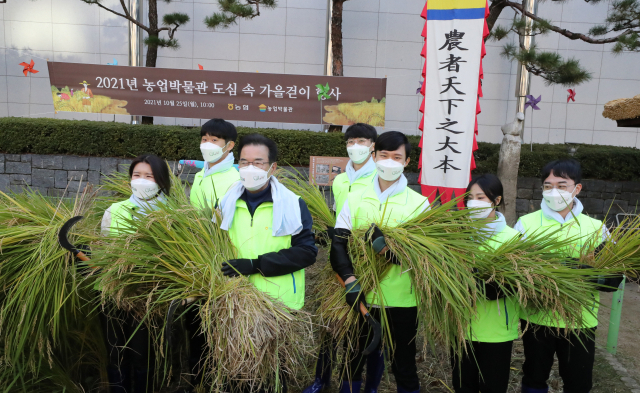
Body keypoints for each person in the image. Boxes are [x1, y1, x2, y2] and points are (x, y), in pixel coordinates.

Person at [198, 133, 316, 391]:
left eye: (258, 162)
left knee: (273, 374)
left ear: (272, 167)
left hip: (278, 303)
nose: (250, 168)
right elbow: (214, 244)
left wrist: (256, 265)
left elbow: (307, 252)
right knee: (234, 370)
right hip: (233, 301)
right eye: (244, 162)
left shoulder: (293, 204)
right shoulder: (226, 202)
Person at [331, 131, 429, 393]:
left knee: (404, 363)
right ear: (374, 157)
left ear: (407, 161)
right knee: (352, 358)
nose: (389, 162)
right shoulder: (356, 196)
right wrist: (350, 281)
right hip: (361, 295)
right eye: (384, 155)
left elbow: (424, 259)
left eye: (397, 157)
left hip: (402, 299)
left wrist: (386, 251)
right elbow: (338, 244)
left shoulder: (419, 204)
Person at [514, 159, 624, 393]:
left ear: (577, 188)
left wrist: (577, 271)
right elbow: (514, 271)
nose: (554, 191)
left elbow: (613, 279)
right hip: (537, 317)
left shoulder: (596, 229)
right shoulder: (526, 225)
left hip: (580, 321)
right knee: (534, 376)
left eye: (562, 185)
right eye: (548, 185)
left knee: (578, 381)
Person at [303, 123, 380, 393]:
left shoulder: (379, 178)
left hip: (370, 262)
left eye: (362, 140)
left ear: (373, 146)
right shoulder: (340, 180)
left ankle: (368, 385)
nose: (355, 146)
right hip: (339, 258)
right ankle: (320, 380)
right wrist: (326, 236)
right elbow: (338, 221)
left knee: (365, 327)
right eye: (351, 141)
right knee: (330, 323)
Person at [100, 154, 172, 393]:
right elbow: (103, 251)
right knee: (115, 353)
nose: (141, 181)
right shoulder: (115, 211)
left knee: (143, 356)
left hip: (149, 298)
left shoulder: (174, 216)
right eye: (136, 175)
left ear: (161, 181)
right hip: (113, 294)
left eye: (149, 176)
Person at [451, 174, 520, 393]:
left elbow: (515, 284)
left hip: (497, 330)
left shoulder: (513, 239)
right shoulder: (456, 237)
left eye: (481, 197)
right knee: (463, 386)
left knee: (493, 387)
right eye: (470, 197)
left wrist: (476, 284)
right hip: (461, 328)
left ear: (496, 200)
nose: (474, 202)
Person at [190, 118, 241, 211]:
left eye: (214, 140)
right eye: (204, 139)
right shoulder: (200, 175)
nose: (207, 145)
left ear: (229, 145)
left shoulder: (235, 181)